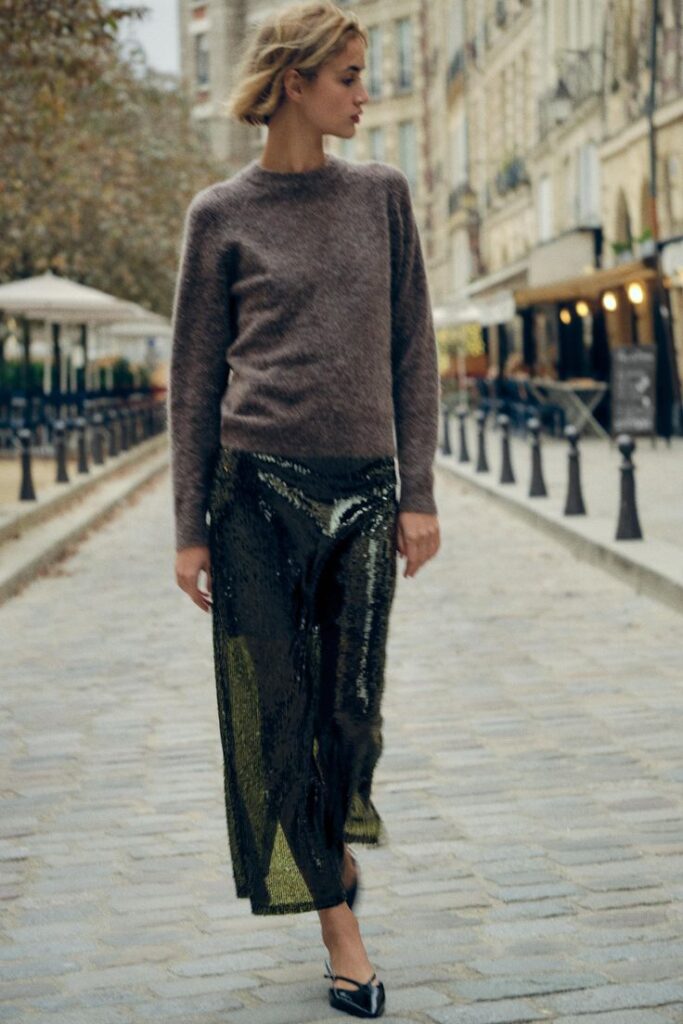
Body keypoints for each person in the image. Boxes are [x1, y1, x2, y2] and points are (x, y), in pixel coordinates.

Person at [168, 2, 440, 1017]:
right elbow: (195, 381)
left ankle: (330, 852)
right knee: (276, 717)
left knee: (346, 714)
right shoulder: (219, 215)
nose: (365, 94)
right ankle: (340, 930)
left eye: (363, 74)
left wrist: (418, 492)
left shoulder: (380, 196)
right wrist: (188, 527)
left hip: (364, 492)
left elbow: (413, 351)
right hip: (252, 499)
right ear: (296, 82)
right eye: (349, 76)